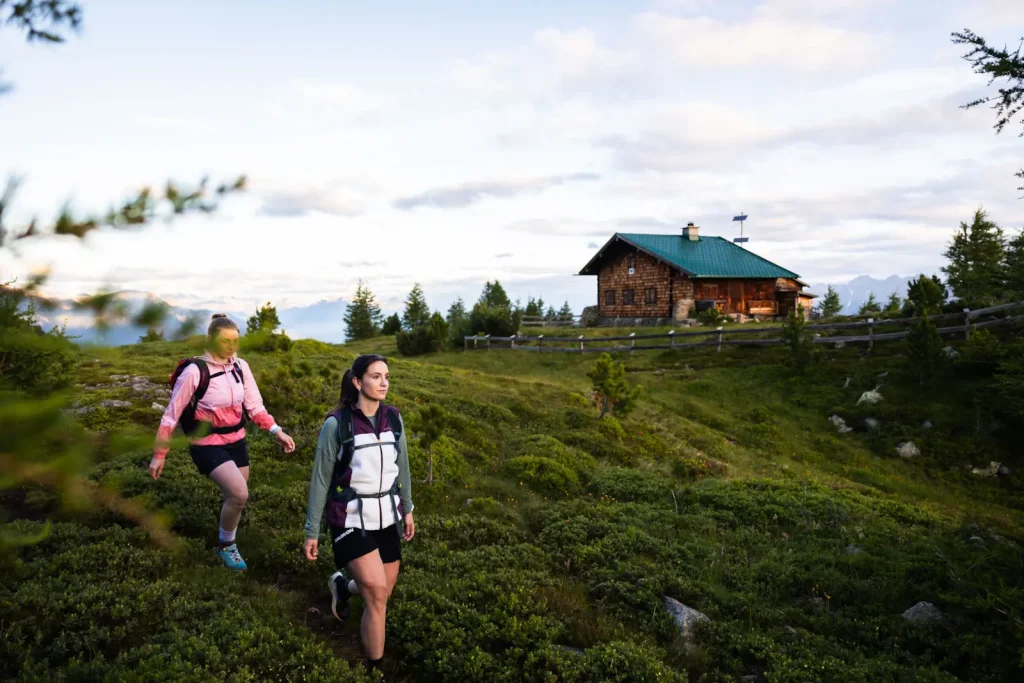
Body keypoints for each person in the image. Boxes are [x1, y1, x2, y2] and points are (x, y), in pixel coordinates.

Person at [149, 313, 295, 570]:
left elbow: (254, 406)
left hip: (236, 440)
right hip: (205, 444)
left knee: (235, 496)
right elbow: (170, 415)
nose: (231, 347)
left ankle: (228, 529)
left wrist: (276, 431)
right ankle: (226, 546)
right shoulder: (195, 372)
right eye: (225, 341)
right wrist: (160, 454)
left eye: (235, 341)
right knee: (239, 494)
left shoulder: (240, 367)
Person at [303, 354, 415, 677]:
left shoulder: (394, 419)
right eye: (376, 376)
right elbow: (321, 480)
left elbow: (402, 469)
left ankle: (342, 587)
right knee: (377, 594)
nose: (384, 383)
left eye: (387, 377)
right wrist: (312, 531)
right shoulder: (337, 424)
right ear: (357, 382)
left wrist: (407, 508)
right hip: (348, 518)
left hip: (386, 517)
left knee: (380, 594)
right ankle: (373, 671)